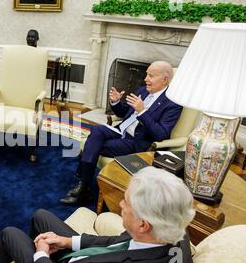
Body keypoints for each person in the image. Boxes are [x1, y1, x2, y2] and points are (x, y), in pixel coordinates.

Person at [0, 167, 195, 263]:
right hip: (94, 259)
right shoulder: (176, 231)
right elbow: (118, 242)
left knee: (9, 233)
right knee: (41, 216)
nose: (120, 204)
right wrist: (66, 242)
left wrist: (41, 257)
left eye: (126, 202)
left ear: (143, 225)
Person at [60, 61, 183, 205]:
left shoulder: (173, 103)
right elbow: (126, 114)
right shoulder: (142, 91)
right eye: (146, 74)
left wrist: (142, 111)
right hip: (120, 130)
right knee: (97, 131)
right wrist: (116, 103)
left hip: (136, 141)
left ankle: (83, 186)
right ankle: (85, 186)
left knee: (92, 144)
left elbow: (161, 133)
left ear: (165, 80)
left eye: (151, 76)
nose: (146, 79)